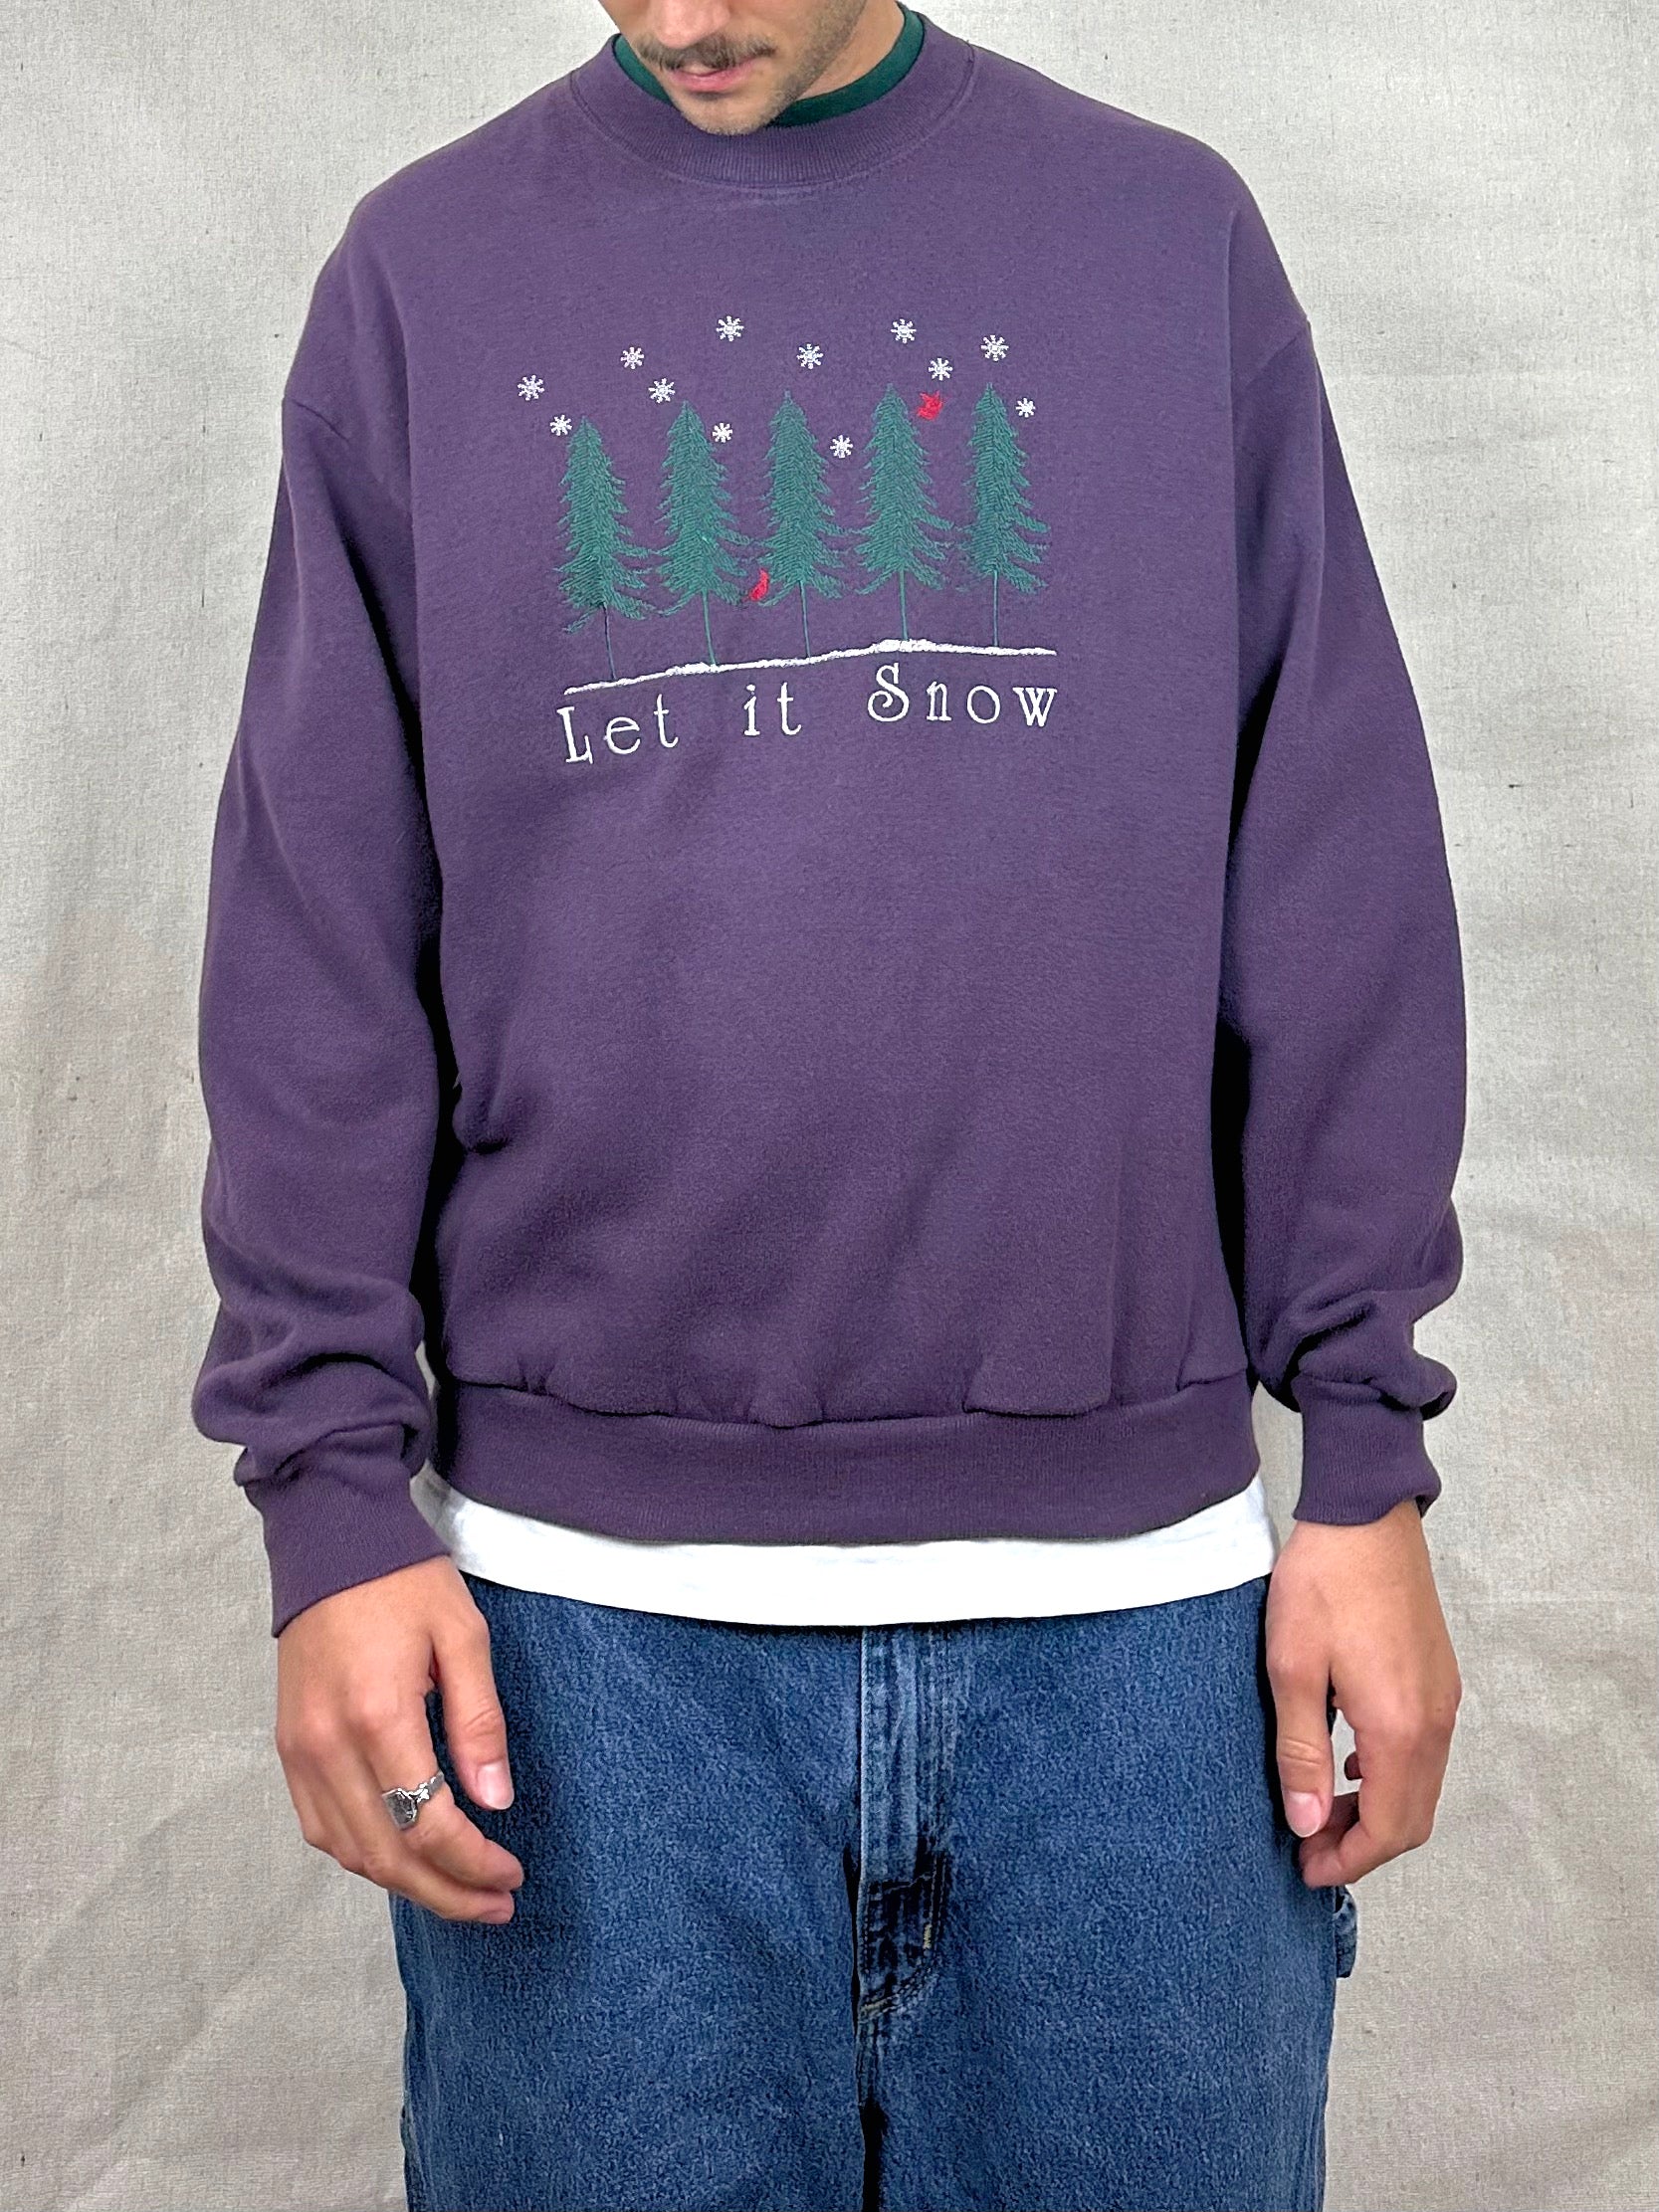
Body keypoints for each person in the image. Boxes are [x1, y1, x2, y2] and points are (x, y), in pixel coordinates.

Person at [189, 5, 1467, 2207]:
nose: (682, 16)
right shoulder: (421, 276)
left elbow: (1332, 868)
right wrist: (324, 1498)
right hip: (576, 1654)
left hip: (1140, 1648)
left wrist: (1366, 1459)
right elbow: (319, 933)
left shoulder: (1167, 243)